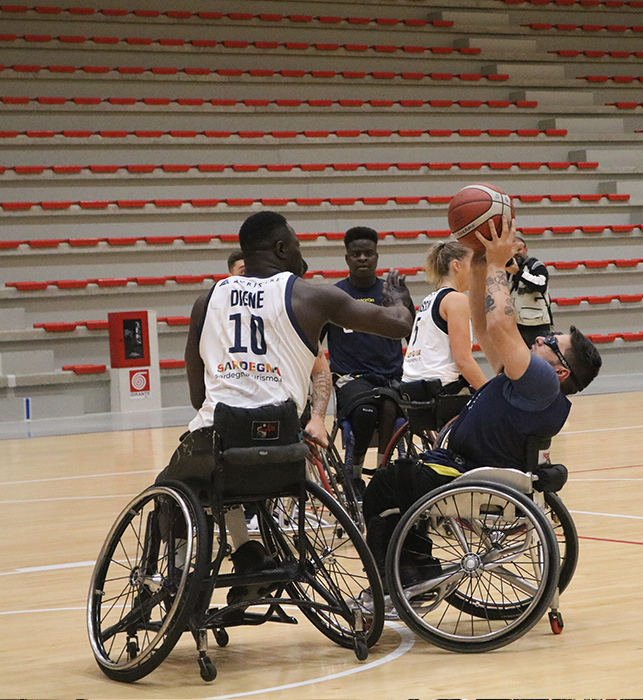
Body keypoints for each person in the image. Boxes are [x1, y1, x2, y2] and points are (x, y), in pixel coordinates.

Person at [156, 211, 413, 600]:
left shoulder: (205, 302)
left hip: (221, 446)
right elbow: (397, 324)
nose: (300, 251)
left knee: (170, 488)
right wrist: (399, 299)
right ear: (280, 248)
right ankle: (249, 557)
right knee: (232, 464)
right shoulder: (312, 296)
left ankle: (178, 582)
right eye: (296, 244)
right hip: (285, 451)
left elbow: (197, 398)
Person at [362, 216, 603, 592]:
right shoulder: (527, 379)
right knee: (399, 483)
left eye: (552, 343)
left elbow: (500, 326)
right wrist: (478, 265)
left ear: (561, 371)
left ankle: (400, 575)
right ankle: (412, 566)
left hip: (467, 475)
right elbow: (480, 318)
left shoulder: (540, 382)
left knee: (386, 484)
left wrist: (496, 265)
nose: (542, 339)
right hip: (467, 467)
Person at [324, 227, 415, 484]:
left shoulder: (393, 293)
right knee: (366, 410)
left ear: (376, 257)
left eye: (368, 253)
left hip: (391, 378)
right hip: (350, 378)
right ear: (347, 258)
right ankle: (353, 472)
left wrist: (406, 304)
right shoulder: (333, 296)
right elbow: (313, 344)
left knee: (388, 404)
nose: (362, 258)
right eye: (356, 254)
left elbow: (413, 335)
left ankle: (382, 472)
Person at [402, 241, 488, 392]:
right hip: (440, 389)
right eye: (471, 263)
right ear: (456, 265)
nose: (475, 270)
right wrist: (489, 394)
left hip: (412, 387)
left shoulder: (429, 299)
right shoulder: (456, 299)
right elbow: (463, 361)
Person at [507, 236, 553, 346]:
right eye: (512, 250)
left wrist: (518, 273)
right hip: (516, 325)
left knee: (541, 358)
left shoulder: (535, 265)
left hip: (538, 325)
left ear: (526, 250)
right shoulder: (507, 270)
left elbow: (540, 284)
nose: (516, 253)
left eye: (519, 249)